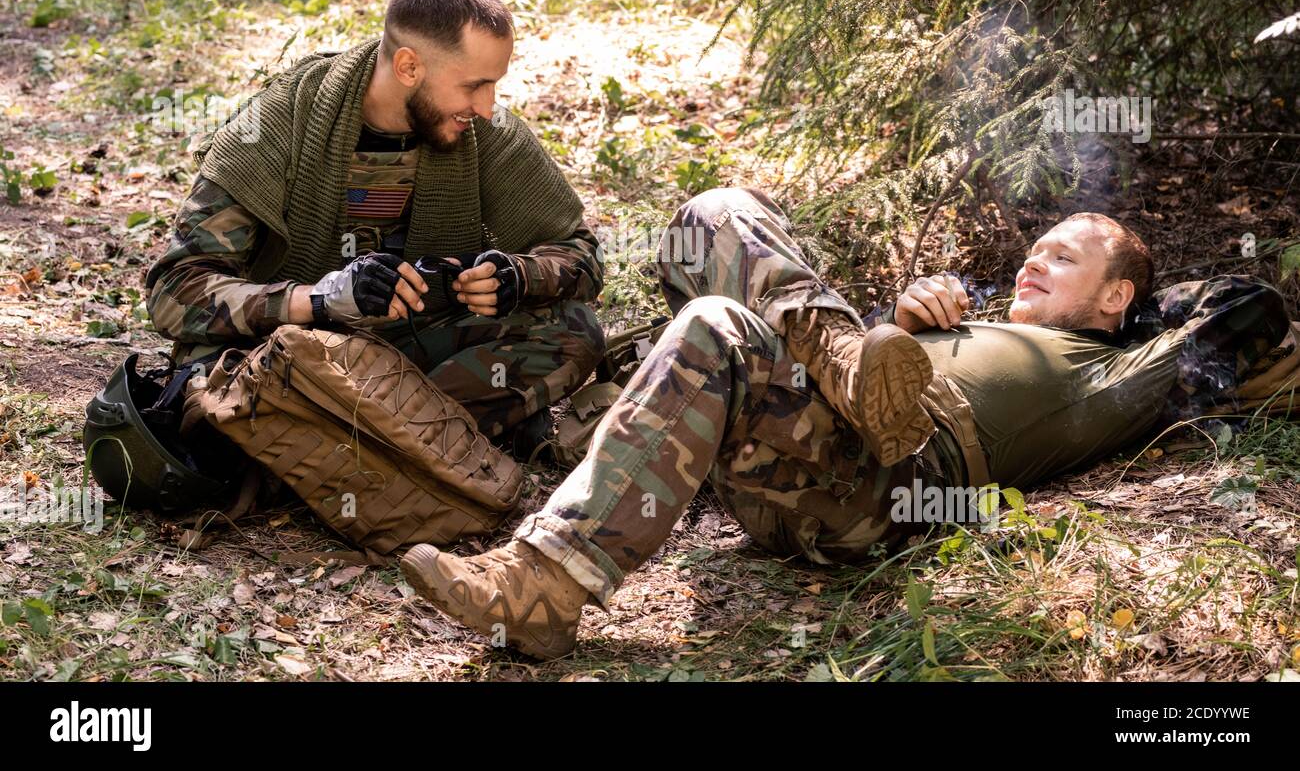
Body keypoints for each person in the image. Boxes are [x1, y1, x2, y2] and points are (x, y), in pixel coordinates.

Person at [401, 187, 1292, 659]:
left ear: (1120, 297)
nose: (1033, 261)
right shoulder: (967, 321)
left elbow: (1251, 307)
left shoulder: (1117, 371)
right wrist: (899, 328)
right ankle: (843, 350)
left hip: (886, 491)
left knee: (714, 326)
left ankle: (543, 587)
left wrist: (1146, 320)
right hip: (824, 445)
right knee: (708, 215)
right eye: (1033, 248)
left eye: (1062, 257)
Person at [144, 0, 605, 451]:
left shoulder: (485, 133)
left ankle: (341, 448)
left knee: (574, 332)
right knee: (209, 377)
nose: (488, 106)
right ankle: (426, 439)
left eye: (494, 85)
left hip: (405, 349)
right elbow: (175, 291)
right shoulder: (280, 122)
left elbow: (582, 255)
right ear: (408, 67)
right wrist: (319, 299)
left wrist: (516, 276)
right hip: (290, 348)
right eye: (473, 86)